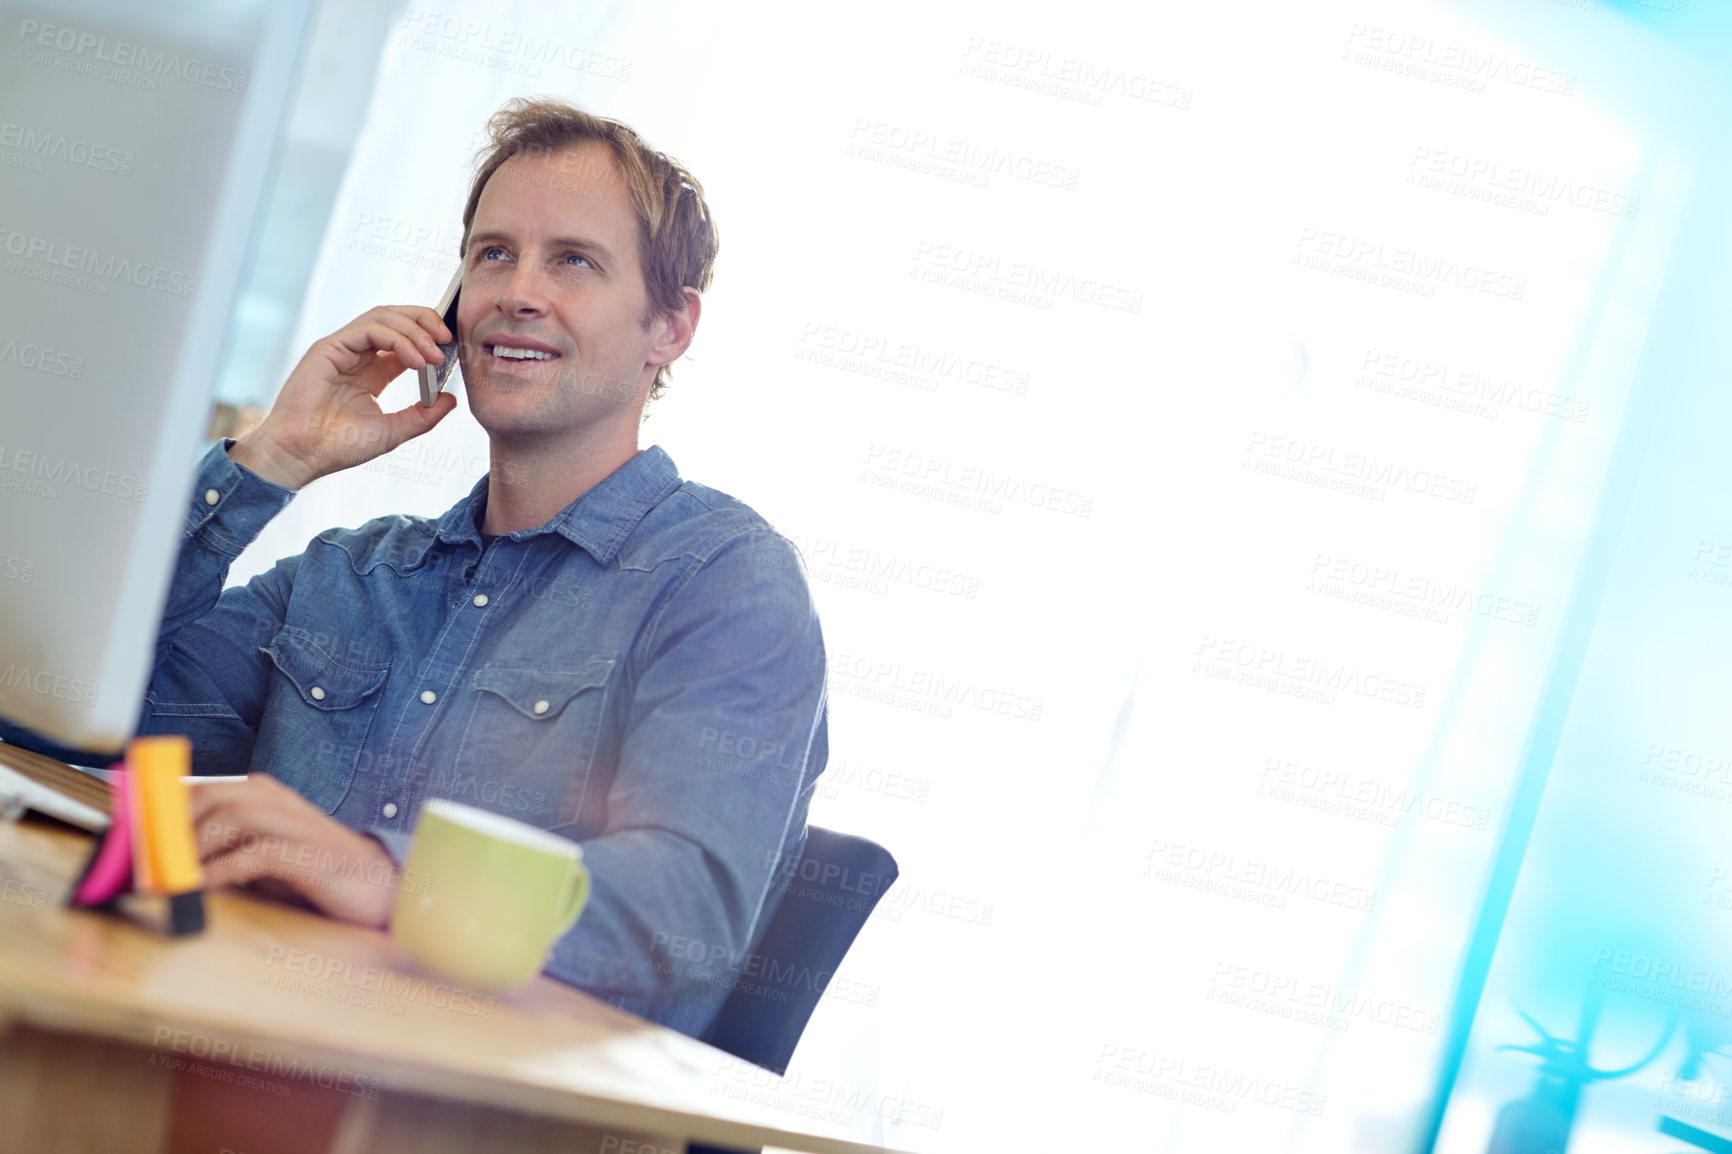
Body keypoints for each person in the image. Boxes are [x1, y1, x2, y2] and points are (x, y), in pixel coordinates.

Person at [19, 99, 829, 1039]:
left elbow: (678, 924)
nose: (516, 292)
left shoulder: (727, 582)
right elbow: (60, 703)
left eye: (573, 259)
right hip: (242, 1041)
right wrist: (271, 459)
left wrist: (383, 874)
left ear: (671, 327)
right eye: (492, 255)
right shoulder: (352, 576)